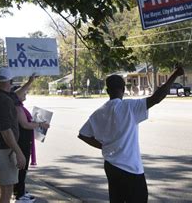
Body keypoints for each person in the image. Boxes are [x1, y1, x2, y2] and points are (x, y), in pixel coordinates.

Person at [78, 66, 184, 202]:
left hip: (110, 165)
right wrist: (175, 74)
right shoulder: (129, 107)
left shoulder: (99, 113)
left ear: (107, 91)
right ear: (123, 90)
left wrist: (104, 146)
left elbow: (83, 135)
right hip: (130, 168)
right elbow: (157, 98)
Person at [0, 67, 26, 203]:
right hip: (3, 150)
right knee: (7, 191)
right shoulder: (5, 101)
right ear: (10, 81)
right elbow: (6, 130)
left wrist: (30, 81)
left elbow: (18, 95)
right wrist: (18, 152)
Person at [10, 75, 50, 202]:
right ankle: (19, 195)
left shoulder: (20, 106)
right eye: (24, 92)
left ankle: (20, 191)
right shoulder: (17, 107)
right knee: (22, 168)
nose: (25, 94)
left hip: (24, 139)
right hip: (21, 140)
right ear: (17, 94)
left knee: (23, 168)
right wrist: (40, 124)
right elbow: (25, 124)